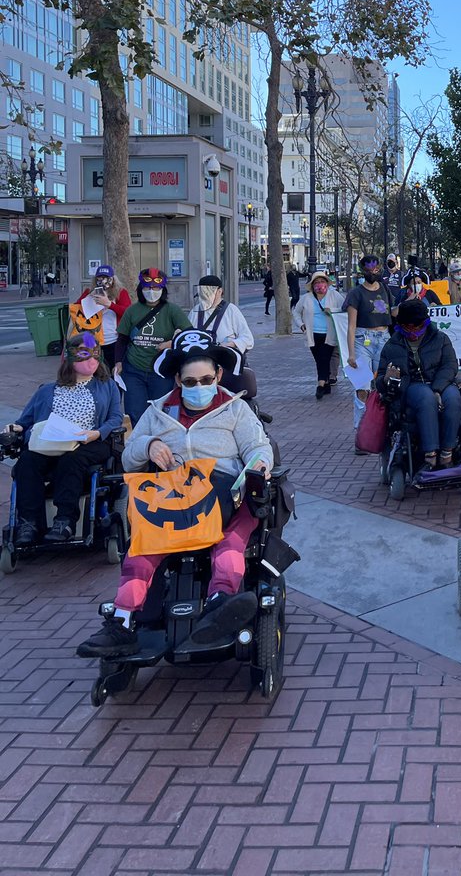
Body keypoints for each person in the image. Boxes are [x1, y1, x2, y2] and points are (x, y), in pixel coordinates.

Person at [76, 331, 273, 659]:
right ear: (179, 381)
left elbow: (258, 447)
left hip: (225, 492)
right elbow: (128, 455)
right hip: (175, 497)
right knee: (143, 546)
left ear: (218, 376)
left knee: (231, 541)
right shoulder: (158, 413)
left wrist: (259, 465)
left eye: (207, 379)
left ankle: (220, 605)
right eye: (191, 381)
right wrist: (149, 446)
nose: (200, 387)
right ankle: (122, 621)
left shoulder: (236, 410)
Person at [5, 332, 122, 545]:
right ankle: (28, 522)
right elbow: (26, 420)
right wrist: (16, 428)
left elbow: (116, 418)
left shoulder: (107, 386)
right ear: (71, 359)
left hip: (89, 442)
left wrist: (97, 433)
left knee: (72, 459)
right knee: (27, 462)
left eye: (95, 355)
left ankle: (65, 520)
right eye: (85, 356)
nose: (91, 361)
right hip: (50, 444)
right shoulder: (47, 390)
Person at [376, 298, 461, 470]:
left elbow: (450, 366)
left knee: (453, 397)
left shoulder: (440, 338)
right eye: (408, 327)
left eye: (417, 326)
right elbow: (380, 377)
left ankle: (448, 451)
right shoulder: (392, 345)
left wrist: (438, 388)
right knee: (425, 397)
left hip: (440, 382)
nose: (413, 331)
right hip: (412, 386)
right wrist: (386, 379)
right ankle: (430, 454)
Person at [114, 269, 192, 427]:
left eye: (156, 288)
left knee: (161, 411)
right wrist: (118, 362)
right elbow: (122, 338)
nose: (151, 292)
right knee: (135, 412)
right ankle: (140, 446)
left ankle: (161, 445)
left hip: (161, 371)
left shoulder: (172, 310)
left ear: (162, 289)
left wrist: (170, 343)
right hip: (133, 370)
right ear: (141, 289)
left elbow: (189, 335)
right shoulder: (132, 310)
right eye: (147, 288)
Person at [344, 256, 394, 434]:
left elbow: (392, 311)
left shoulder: (385, 289)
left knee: (387, 384)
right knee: (362, 387)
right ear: (363, 271)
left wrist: (412, 299)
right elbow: (351, 325)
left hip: (384, 339)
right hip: (361, 340)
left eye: (376, 269)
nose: (373, 272)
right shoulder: (356, 294)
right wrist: (350, 354)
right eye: (369, 269)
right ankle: (362, 431)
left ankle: (386, 429)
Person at [190, 276, 254, 392]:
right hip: (202, 366)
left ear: (219, 291)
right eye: (203, 292)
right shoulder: (195, 311)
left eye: (209, 291)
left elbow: (248, 339)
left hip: (226, 365)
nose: (206, 295)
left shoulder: (231, 310)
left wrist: (232, 343)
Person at [70, 265, 132, 370]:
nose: (103, 281)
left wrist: (110, 305)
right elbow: (76, 310)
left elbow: (128, 313)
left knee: (114, 371)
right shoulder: (89, 292)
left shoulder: (121, 293)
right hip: (92, 340)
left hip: (113, 340)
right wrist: (90, 296)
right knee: (92, 370)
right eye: (100, 278)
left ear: (113, 279)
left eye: (107, 278)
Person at [294, 271, 344, 399]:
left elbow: (344, 309)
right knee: (319, 360)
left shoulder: (335, 296)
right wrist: (301, 324)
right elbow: (296, 312)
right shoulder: (306, 298)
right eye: (316, 282)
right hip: (312, 334)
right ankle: (326, 383)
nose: (319, 285)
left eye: (322, 282)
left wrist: (332, 311)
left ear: (327, 283)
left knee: (324, 358)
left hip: (329, 334)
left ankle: (320, 385)